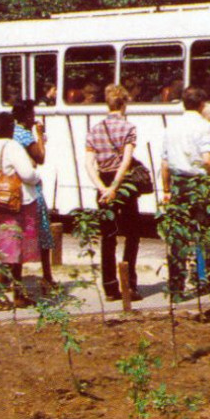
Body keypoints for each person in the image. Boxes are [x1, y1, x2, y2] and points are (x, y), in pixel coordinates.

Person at [161, 86, 210, 294]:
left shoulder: (171, 127)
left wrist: (166, 188)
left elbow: (165, 162)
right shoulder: (204, 126)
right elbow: (207, 160)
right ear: (201, 104)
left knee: (178, 236)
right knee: (208, 234)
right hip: (199, 183)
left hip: (179, 182)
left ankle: (176, 287)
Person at [83, 83, 142, 301]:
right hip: (122, 182)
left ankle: (109, 287)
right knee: (132, 234)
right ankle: (130, 285)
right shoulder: (128, 128)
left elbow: (88, 164)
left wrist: (103, 188)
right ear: (124, 102)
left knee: (108, 236)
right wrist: (115, 187)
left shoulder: (95, 129)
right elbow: (126, 161)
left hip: (103, 182)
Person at [0, 110, 40, 303]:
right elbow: (27, 174)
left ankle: (18, 292)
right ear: (11, 128)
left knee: (3, 250)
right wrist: (38, 177)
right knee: (14, 250)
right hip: (15, 203)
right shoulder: (14, 146)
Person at [11, 100, 55, 288]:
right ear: (27, 116)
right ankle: (47, 276)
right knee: (43, 229)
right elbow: (40, 157)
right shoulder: (25, 135)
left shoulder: (12, 132)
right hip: (30, 188)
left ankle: (14, 278)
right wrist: (40, 136)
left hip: (14, 187)